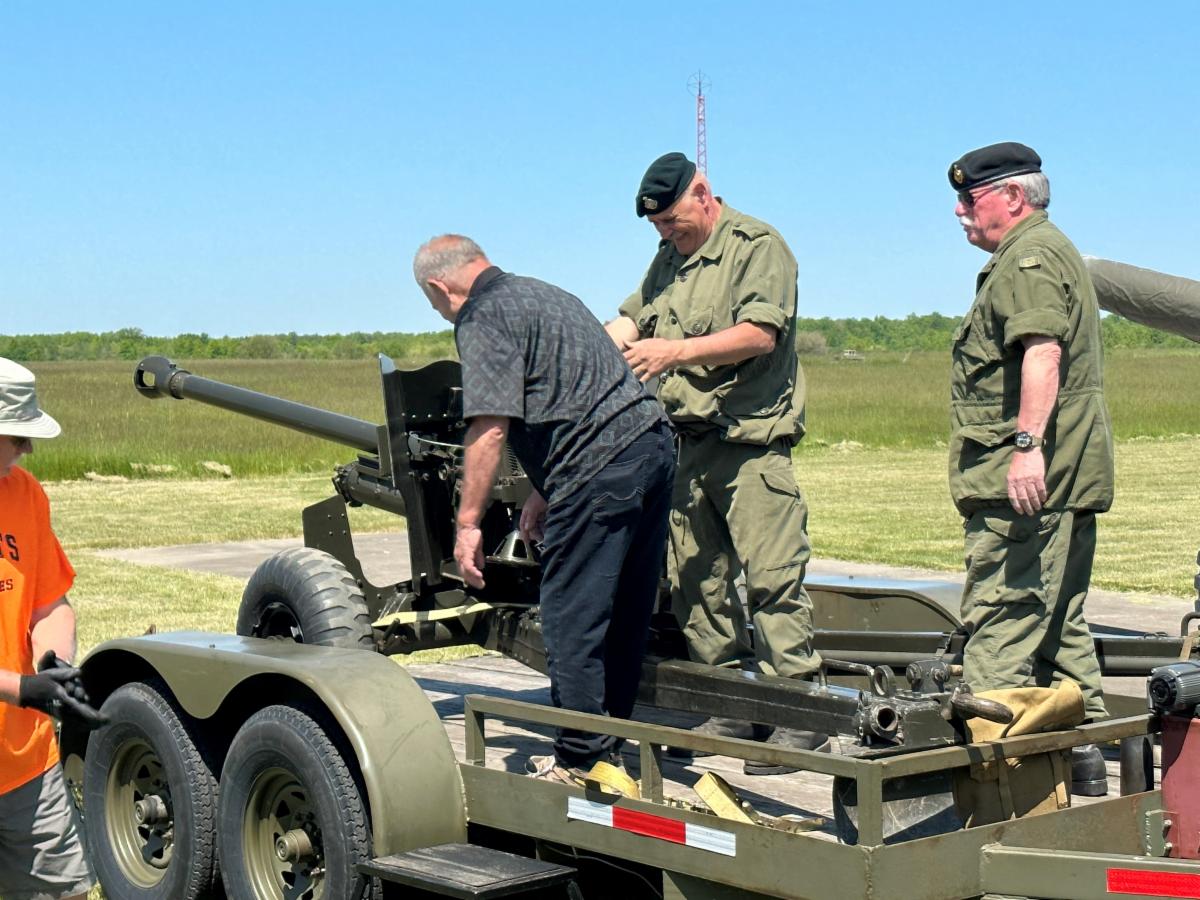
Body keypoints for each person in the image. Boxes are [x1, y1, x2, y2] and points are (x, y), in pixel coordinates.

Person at [413, 235, 675, 787]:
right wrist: (545, 488)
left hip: (599, 465)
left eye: (431, 302)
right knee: (626, 613)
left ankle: (580, 762)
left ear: (440, 287)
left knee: (570, 617)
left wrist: (466, 526)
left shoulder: (482, 317)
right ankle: (609, 751)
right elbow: (579, 395)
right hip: (651, 447)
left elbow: (487, 428)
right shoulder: (546, 295)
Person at [607, 152, 826, 773]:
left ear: (702, 193)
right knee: (696, 581)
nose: (668, 235)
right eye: (659, 231)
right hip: (689, 442)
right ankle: (727, 697)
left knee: (771, 576)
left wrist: (673, 352)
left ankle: (798, 708)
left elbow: (760, 333)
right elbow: (633, 319)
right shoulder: (671, 257)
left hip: (750, 443)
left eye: (675, 222)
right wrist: (586, 350)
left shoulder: (758, 247)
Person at [947, 142, 1113, 792]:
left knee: (1002, 618)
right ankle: (1094, 769)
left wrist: (1025, 448)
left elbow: (1042, 353)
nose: (960, 212)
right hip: (1064, 481)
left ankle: (983, 798)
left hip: (1029, 488)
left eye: (969, 199)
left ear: (1012, 198)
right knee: (1061, 630)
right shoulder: (1045, 251)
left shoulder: (1028, 258)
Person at [0, 358, 104, 900]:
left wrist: (52, 664)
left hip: (24, 762)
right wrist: (20, 690)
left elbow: (50, 602)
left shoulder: (26, 494)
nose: (27, 449)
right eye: (17, 435)